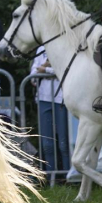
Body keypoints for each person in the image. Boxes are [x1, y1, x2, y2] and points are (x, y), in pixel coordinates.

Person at [31, 46, 73, 176]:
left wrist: (45, 69)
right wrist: (46, 66)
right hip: (44, 97)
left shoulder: (65, 45)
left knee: (64, 143)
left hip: (62, 98)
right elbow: (33, 75)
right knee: (47, 144)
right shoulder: (40, 49)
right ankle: (50, 178)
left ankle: (69, 177)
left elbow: (65, 70)